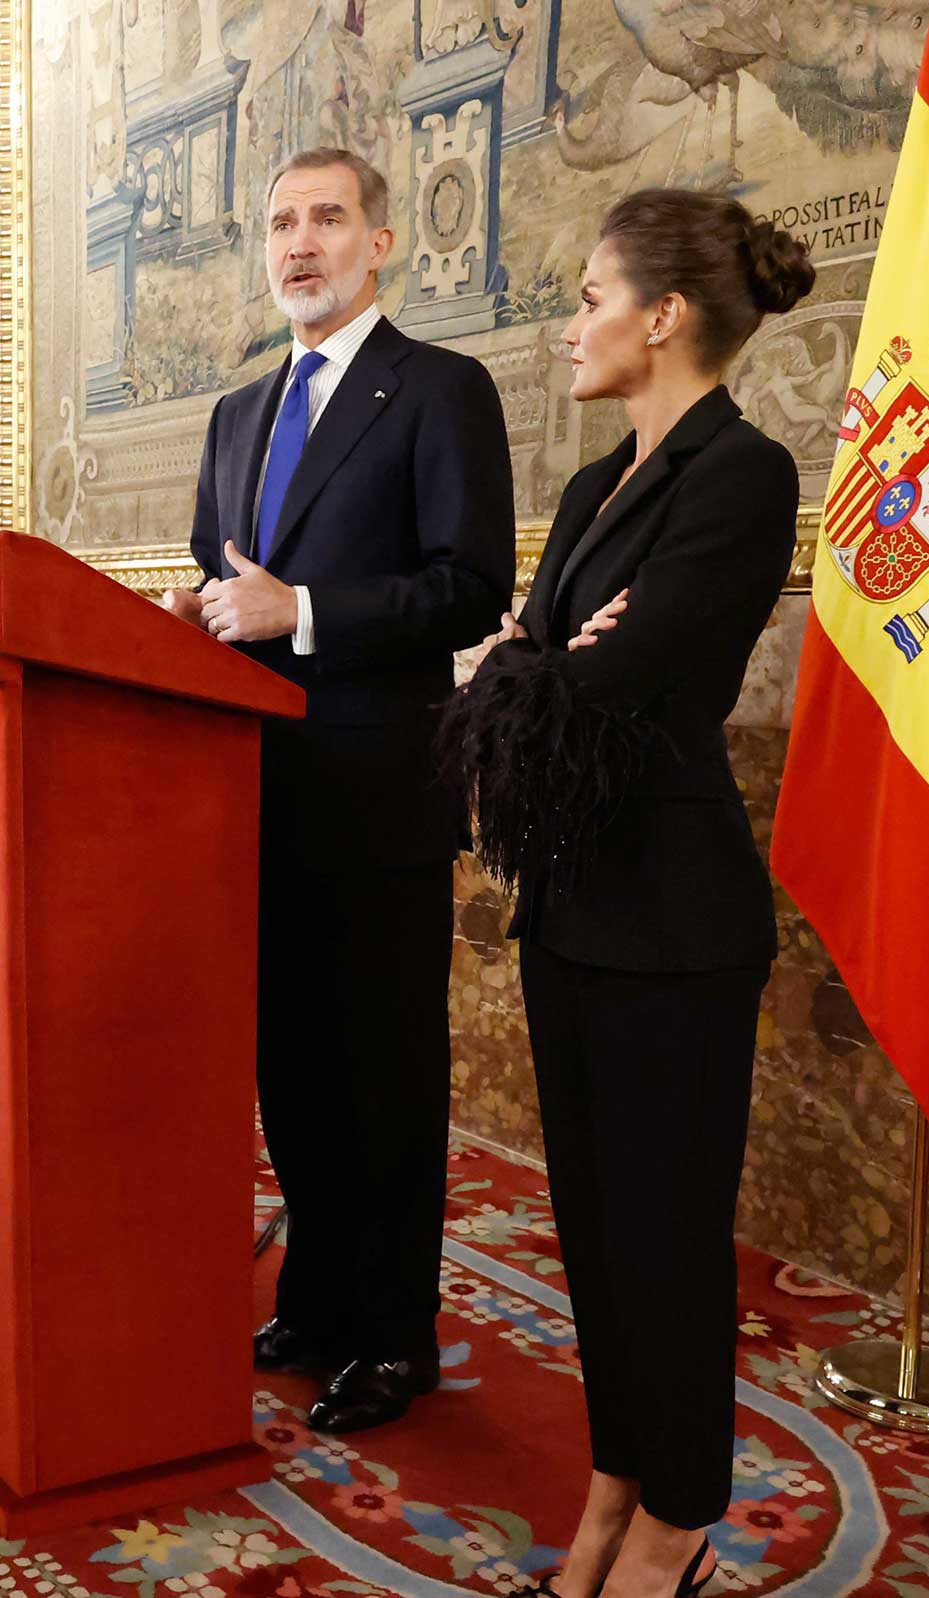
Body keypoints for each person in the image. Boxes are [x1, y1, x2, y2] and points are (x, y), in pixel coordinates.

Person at [442, 188, 814, 1596]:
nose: (571, 326)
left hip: (674, 925)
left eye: (589, 297)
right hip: (573, 908)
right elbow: (524, 689)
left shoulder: (743, 473)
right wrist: (531, 665)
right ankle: (614, 1480)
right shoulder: (600, 489)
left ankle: (675, 1527)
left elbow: (600, 684)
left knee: (666, 1242)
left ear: (663, 317)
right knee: (594, 1237)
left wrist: (528, 666)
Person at [163, 146, 515, 1434]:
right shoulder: (236, 415)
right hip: (257, 800)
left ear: (380, 244)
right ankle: (314, 1297)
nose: (299, 243)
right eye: (280, 224)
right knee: (293, 1075)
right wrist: (201, 614)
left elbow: (469, 584)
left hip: (380, 797)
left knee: (383, 1075)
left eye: (327, 219)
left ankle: (391, 1333)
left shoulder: (439, 391)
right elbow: (226, 579)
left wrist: (298, 608)